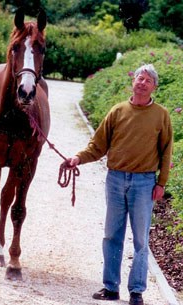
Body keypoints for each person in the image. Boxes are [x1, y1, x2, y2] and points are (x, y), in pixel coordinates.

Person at [67, 64, 173, 305]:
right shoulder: (117, 111)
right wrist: (77, 159)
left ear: (154, 86)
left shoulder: (161, 115)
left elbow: (167, 152)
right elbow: (97, 146)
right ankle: (111, 287)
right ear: (133, 82)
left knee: (140, 240)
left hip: (144, 183)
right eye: (139, 77)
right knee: (112, 235)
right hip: (115, 179)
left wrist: (161, 183)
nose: (142, 82)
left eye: (147, 80)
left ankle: (136, 291)